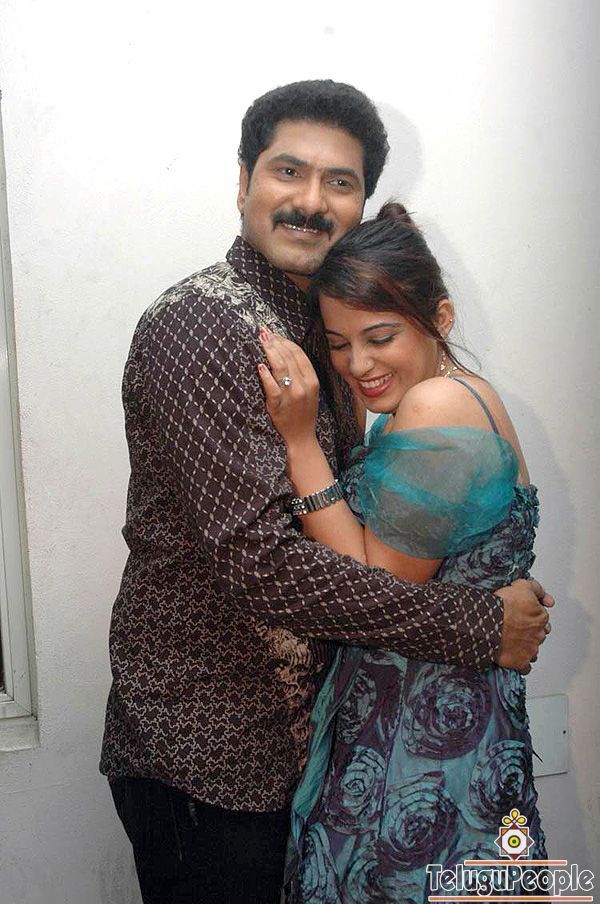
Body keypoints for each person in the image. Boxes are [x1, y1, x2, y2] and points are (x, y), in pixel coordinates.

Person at [100, 80, 552, 904]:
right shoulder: (203, 325)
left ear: (361, 203)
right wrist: (480, 623)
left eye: (339, 182)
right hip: (214, 752)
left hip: (326, 748)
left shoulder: (331, 338)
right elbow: (261, 564)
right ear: (244, 181)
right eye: (288, 171)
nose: (311, 201)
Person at [258, 202, 548, 901]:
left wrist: (299, 442)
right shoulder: (450, 401)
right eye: (338, 343)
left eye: (379, 336)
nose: (357, 365)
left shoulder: (437, 404)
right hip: (441, 723)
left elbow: (374, 587)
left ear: (439, 318)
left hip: (422, 747)